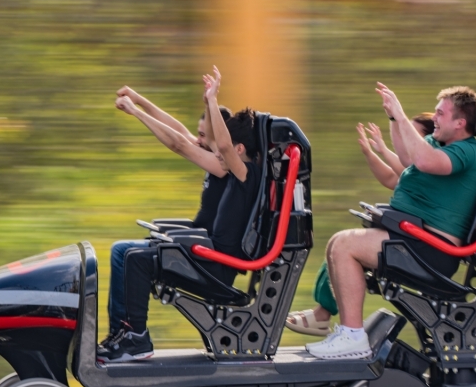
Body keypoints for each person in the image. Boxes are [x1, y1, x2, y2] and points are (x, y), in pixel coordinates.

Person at [304, 84, 476, 359]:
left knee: (345, 248)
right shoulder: (443, 144)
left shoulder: (467, 152)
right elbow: (407, 157)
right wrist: (393, 119)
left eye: (440, 113)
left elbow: (424, 161)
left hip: (432, 249)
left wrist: (401, 117)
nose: (434, 117)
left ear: (460, 122)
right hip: (415, 239)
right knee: (337, 243)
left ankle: (352, 337)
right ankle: (346, 333)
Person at [99, 67, 261, 362]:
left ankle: (137, 338)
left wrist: (137, 111)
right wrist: (140, 101)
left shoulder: (234, 169)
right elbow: (182, 134)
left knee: (136, 259)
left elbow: (181, 143)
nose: (198, 140)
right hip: (204, 252)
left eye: (204, 135)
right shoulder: (224, 162)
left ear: (234, 147)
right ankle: (122, 334)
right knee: (122, 250)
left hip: (214, 264)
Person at [285, 113, 435, 337]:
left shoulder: (430, 168)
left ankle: (339, 325)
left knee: (345, 246)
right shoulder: (417, 171)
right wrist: (369, 152)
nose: (405, 141)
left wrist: (383, 149)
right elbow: (389, 178)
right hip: (401, 232)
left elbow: (404, 171)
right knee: (338, 243)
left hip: (415, 243)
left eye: (410, 136)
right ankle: (323, 313)